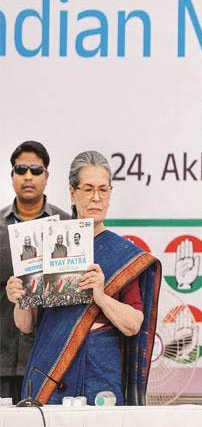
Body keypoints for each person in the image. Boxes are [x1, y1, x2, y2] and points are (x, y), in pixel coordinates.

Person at [5, 151, 161, 405]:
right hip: (52, 371)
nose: (96, 198)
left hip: (100, 373)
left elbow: (133, 324)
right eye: (88, 189)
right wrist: (19, 299)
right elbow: (26, 325)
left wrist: (101, 296)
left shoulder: (122, 254)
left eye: (103, 189)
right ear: (72, 192)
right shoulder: (44, 245)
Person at [0, 141, 70, 404]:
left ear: (47, 176)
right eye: (21, 169)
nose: (28, 176)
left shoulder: (65, 226)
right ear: (12, 176)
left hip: (49, 359)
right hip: (2, 358)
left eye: (36, 170)